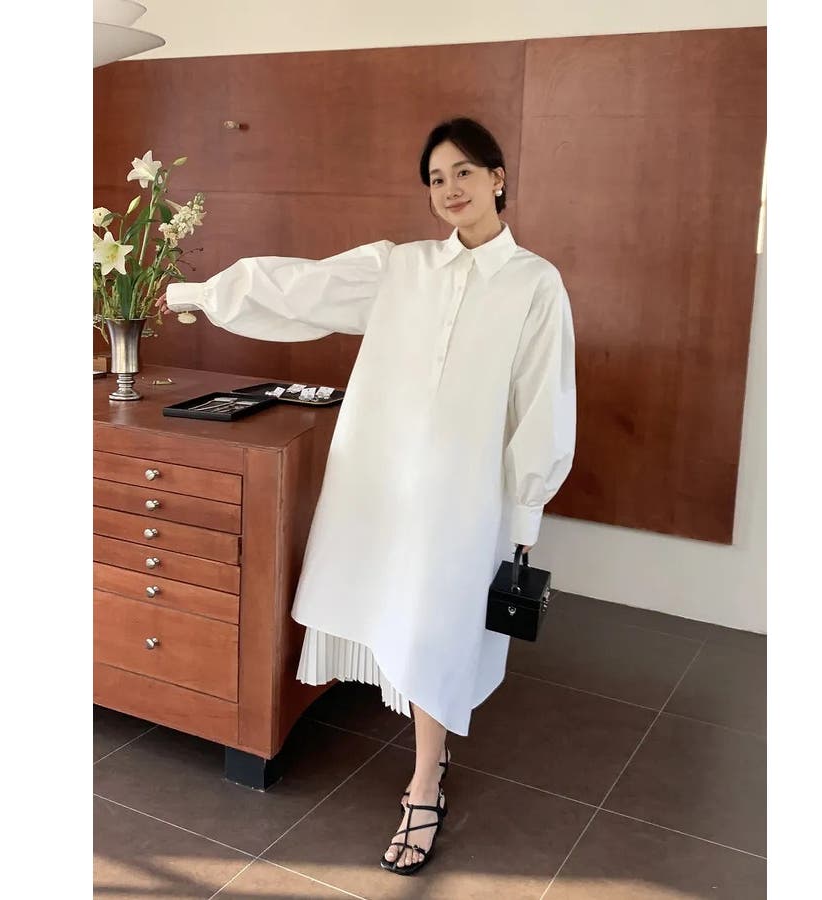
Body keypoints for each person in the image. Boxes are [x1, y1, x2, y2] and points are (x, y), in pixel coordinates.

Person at [156, 116, 577, 875]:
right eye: (436, 178)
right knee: (399, 614)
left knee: (437, 629)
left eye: (463, 172)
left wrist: (525, 508)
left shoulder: (534, 283)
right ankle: (429, 763)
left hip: (466, 493)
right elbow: (299, 286)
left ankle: (424, 785)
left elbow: (542, 402)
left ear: (497, 178)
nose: (449, 189)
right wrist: (191, 292)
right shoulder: (402, 267)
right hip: (381, 481)